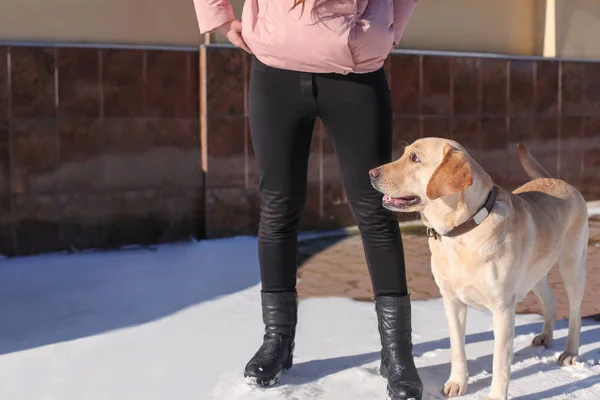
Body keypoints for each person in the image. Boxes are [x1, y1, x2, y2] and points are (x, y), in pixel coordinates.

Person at [195, 0, 422, 398]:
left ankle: (397, 352)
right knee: (278, 205)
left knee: (373, 208)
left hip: (357, 71)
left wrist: (387, 33)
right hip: (275, 68)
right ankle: (277, 341)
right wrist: (219, 19)